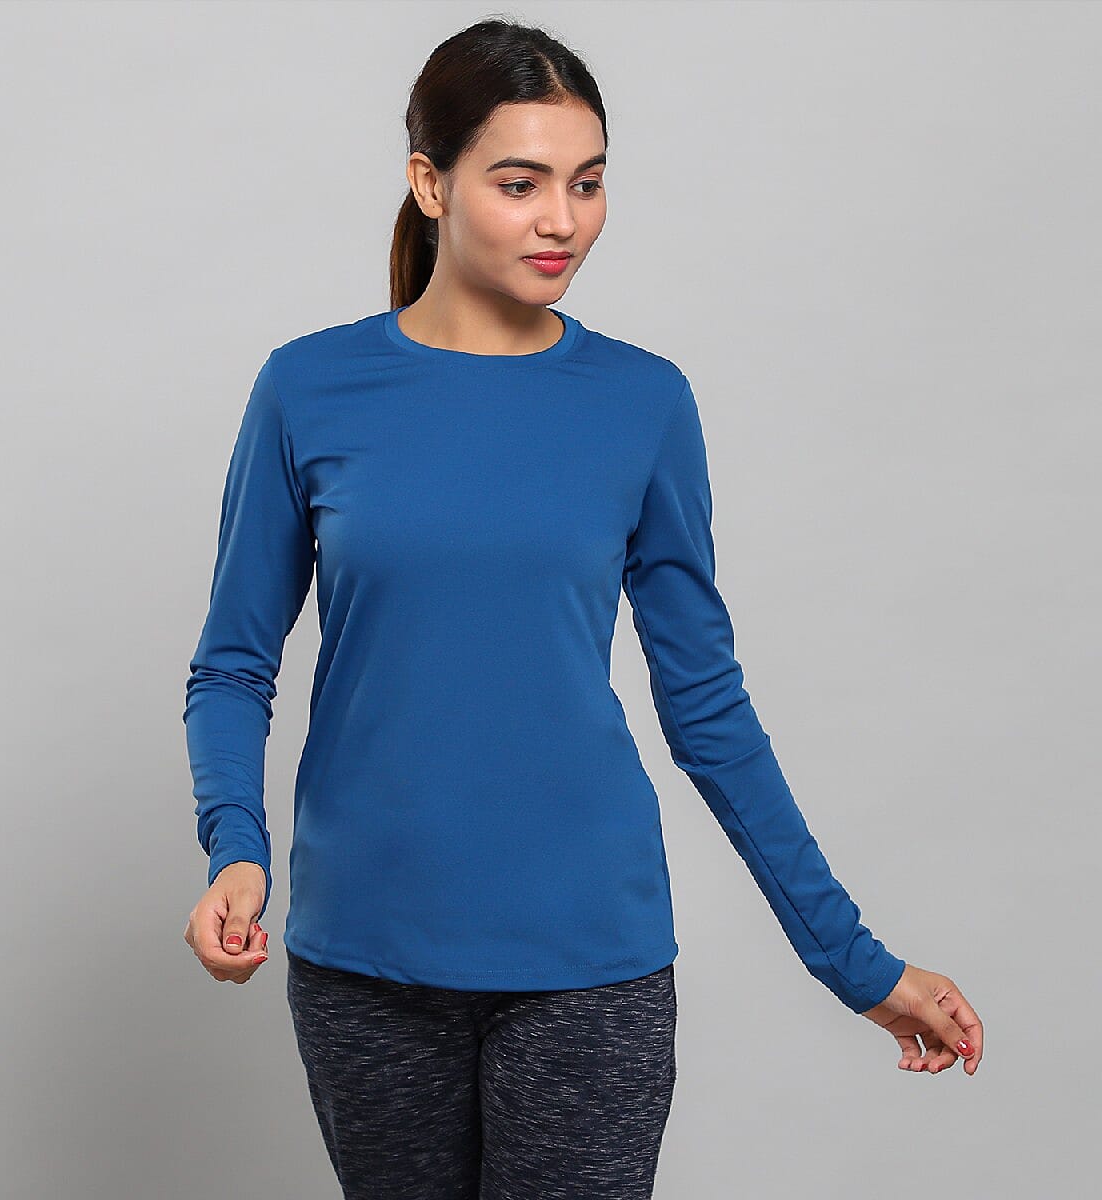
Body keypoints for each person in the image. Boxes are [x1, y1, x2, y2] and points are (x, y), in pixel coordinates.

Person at [181, 16, 984, 1199]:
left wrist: (853, 961)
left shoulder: (642, 403)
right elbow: (233, 665)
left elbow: (707, 710)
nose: (562, 219)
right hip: (363, 963)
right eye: (520, 184)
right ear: (430, 184)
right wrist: (236, 850)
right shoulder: (309, 388)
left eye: (588, 183)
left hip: (588, 967)